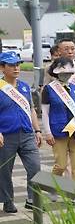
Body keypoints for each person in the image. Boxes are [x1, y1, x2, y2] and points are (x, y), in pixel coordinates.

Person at [0, 51, 41, 212]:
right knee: (4, 170)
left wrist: (37, 130)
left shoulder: (24, 86)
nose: (16, 68)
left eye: (17, 64)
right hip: (6, 135)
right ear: (2, 68)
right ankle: (7, 200)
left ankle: (32, 198)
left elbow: (31, 109)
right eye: (11, 65)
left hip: (27, 134)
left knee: (35, 167)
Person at [41, 57, 75, 183]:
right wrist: (47, 132)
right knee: (60, 165)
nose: (67, 75)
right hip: (58, 130)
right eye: (64, 73)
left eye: (70, 73)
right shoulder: (49, 89)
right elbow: (45, 112)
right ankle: (53, 186)